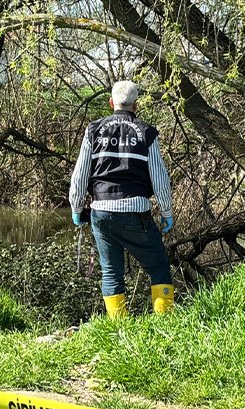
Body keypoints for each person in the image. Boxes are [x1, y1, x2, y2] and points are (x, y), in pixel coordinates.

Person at [69, 80, 174, 318]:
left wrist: (76, 207)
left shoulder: (93, 130)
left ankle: (119, 328)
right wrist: (167, 212)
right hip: (135, 212)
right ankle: (165, 322)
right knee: (157, 266)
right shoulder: (147, 132)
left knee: (110, 272)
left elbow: (80, 174)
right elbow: (159, 178)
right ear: (136, 105)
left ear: (111, 103)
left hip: (101, 213)